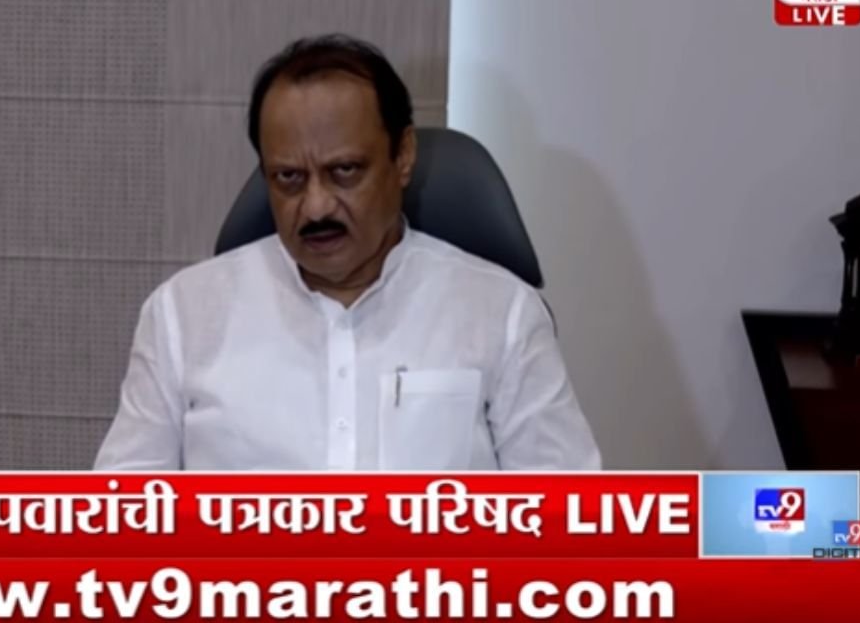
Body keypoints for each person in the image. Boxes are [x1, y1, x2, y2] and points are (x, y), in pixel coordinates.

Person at [94, 34, 601, 471]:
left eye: (344, 172)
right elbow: (117, 521)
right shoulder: (182, 317)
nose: (316, 206)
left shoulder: (502, 314)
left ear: (403, 156)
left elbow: (571, 520)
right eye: (289, 178)